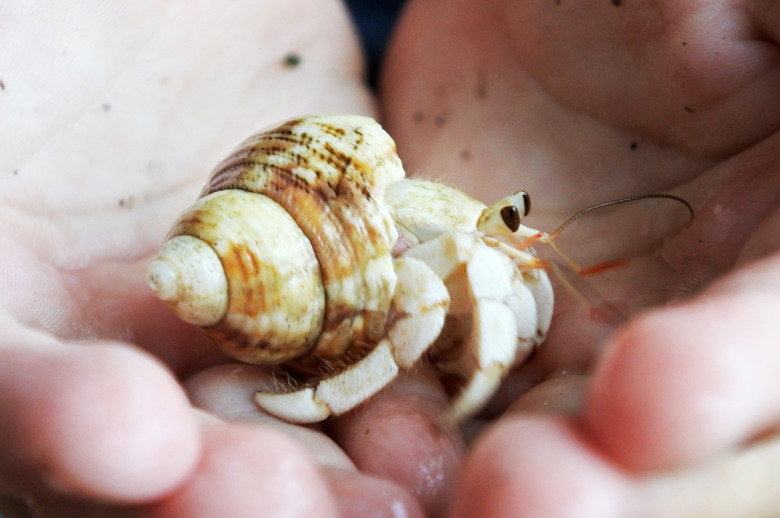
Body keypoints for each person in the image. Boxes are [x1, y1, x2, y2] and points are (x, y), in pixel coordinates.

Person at [1, 1, 779, 517]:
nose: (504, 237)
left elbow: (465, 241)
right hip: (281, 229)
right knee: (442, 288)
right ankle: (346, 395)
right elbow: (442, 276)